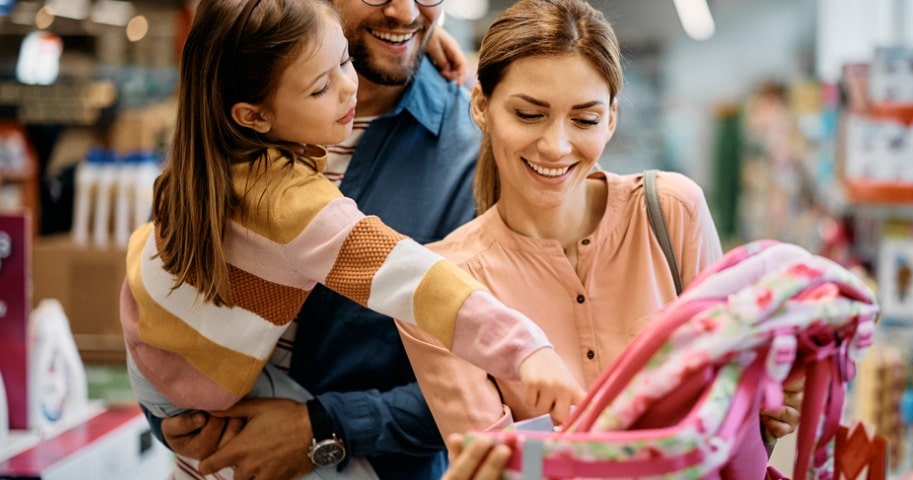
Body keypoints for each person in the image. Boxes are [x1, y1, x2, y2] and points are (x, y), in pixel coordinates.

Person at [123, 0, 584, 478]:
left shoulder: (477, 150)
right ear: (254, 114)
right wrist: (178, 406)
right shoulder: (250, 82)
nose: (406, 12)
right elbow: (412, 277)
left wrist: (326, 427)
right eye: (324, 81)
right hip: (209, 420)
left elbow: (492, 387)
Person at [397, 0, 804, 456]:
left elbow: (727, 406)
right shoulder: (441, 285)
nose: (556, 146)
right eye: (529, 115)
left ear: (611, 118)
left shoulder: (672, 212)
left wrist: (763, 405)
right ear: (481, 106)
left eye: (585, 119)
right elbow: (494, 468)